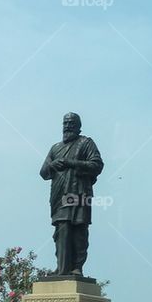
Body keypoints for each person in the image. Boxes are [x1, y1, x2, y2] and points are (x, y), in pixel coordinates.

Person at [40, 112, 104, 276]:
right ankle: (62, 267)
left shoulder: (86, 143)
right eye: (65, 123)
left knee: (78, 231)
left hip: (79, 193)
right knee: (61, 230)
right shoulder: (55, 148)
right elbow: (43, 172)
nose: (68, 126)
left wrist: (71, 163)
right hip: (59, 195)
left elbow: (96, 165)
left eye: (71, 123)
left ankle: (76, 267)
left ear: (78, 126)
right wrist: (53, 164)